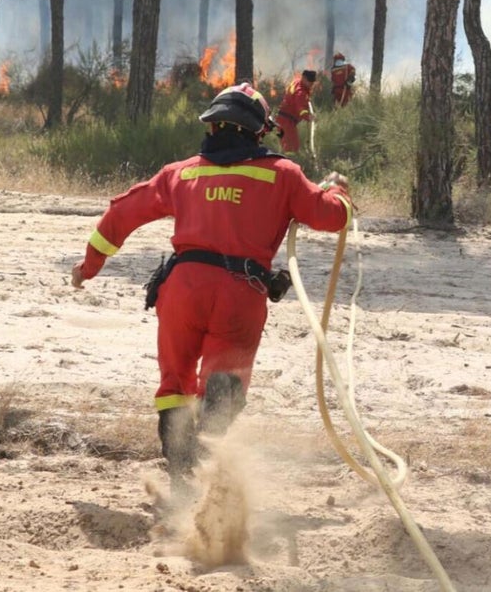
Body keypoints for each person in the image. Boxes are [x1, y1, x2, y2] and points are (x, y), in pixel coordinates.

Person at [70, 82, 353, 499]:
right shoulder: (283, 174)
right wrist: (339, 191)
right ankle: (211, 450)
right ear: (260, 131)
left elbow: (122, 212)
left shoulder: (181, 172)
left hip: (183, 289)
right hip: (241, 293)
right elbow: (331, 217)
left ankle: (181, 476)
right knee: (223, 387)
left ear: (214, 125)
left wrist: (88, 266)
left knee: (174, 385)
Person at [275, 69, 317, 157]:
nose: (311, 84)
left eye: (312, 82)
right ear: (304, 78)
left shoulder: (297, 82)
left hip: (283, 119)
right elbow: (300, 108)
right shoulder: (300, 92)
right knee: (291, 147)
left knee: (288, 144)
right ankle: (290, 162)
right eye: (309, 81)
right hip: (287, 121)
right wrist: (308, 117)